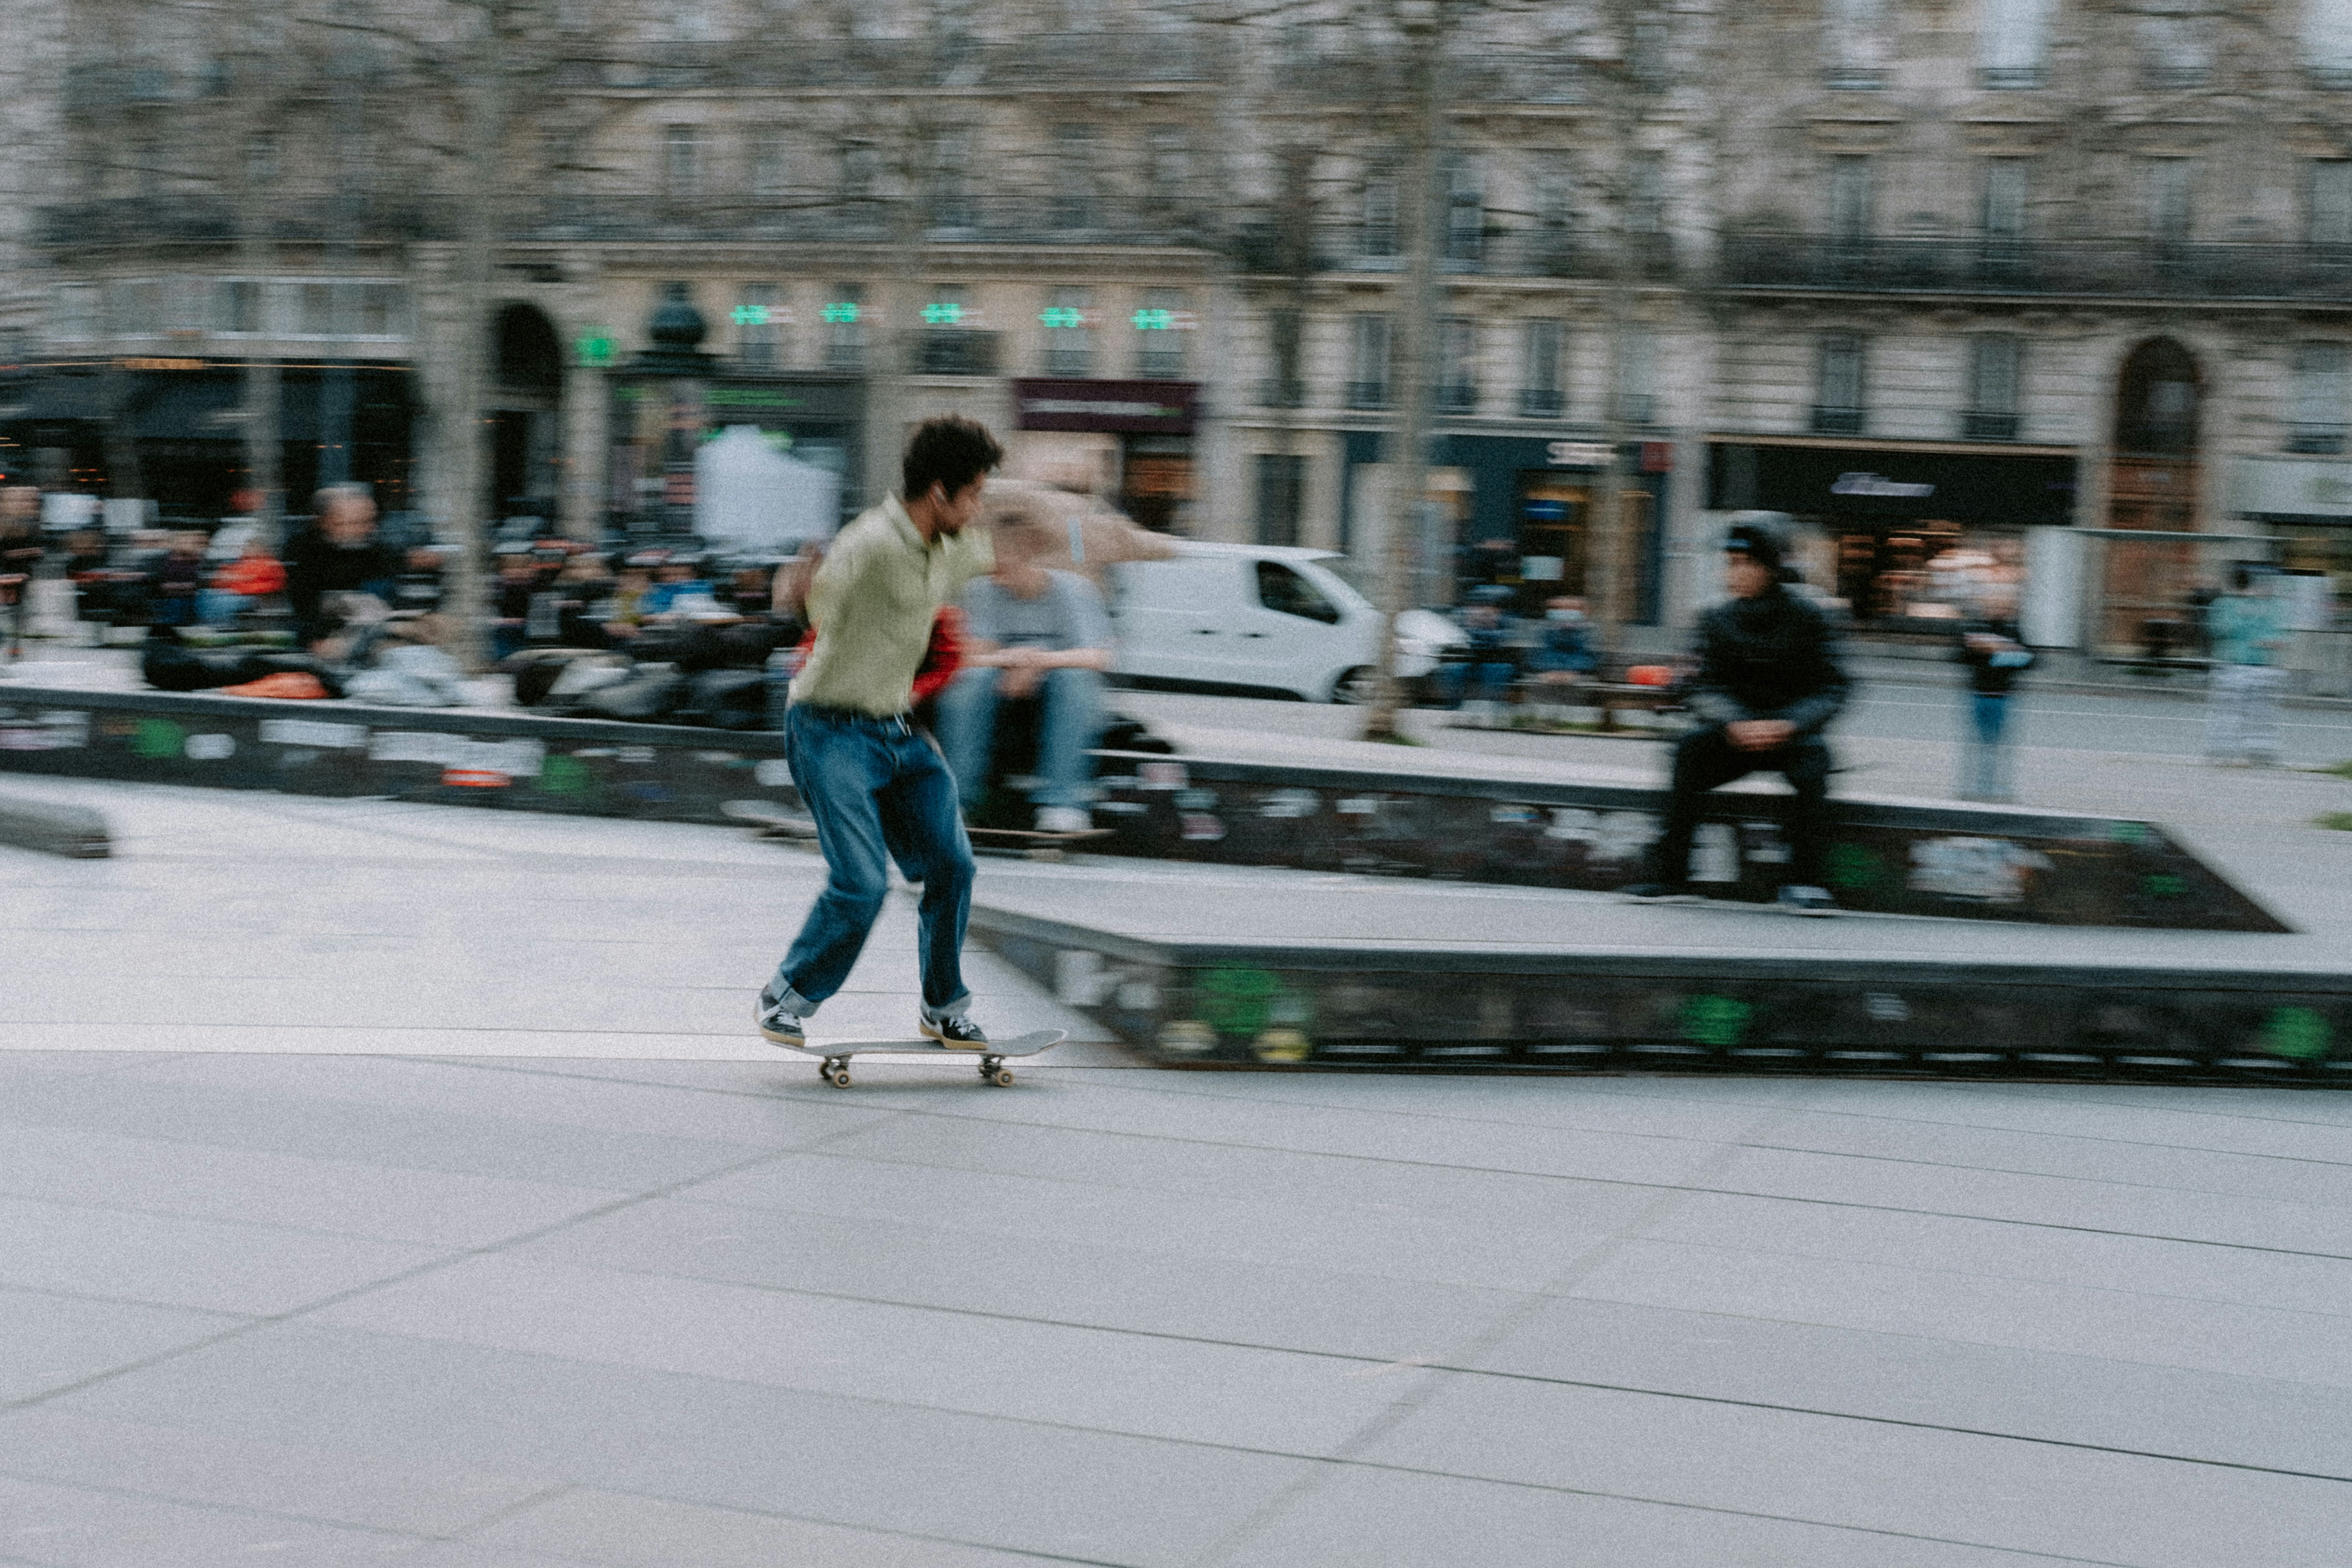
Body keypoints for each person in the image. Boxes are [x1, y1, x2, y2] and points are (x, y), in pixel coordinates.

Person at [756, 415, 1002, 1052]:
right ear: (940, 494)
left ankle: (943, 1005)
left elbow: (1008, 555)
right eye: (972, 494)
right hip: (829, 731)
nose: (978, 508)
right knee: (864, 884)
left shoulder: (953, 543)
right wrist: (797, 592)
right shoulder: (869, 544)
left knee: (953, 865)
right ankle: (786, 995)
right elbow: (816, 603)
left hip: (899, 733)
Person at [1623, 520, 1851, 915]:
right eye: (1731, 562)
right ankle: (1671, 876)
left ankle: (1805, 882)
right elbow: (1700, 685)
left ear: (1772, 568)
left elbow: (1834, 686)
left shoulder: (1810, 617)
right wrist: (1733, 720)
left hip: (1790, 736)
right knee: (1687, 753)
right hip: (1735, 736)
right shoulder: (1717, 618)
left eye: (1747, 563)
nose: (1735, 572)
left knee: (1815, 764)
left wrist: (1791, 723)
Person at [933, 525, 1115, 832]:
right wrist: (1014, 661)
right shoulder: (983, 591)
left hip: (1057, 685)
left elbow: (1098, 657)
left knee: (1077, 682)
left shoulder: (1073, 591)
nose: (996, 574)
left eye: (1005, 565)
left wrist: (1040, 662)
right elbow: (971, 654)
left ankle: (1062, 804)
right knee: (969, 681)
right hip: (1001, 683)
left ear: (1030, 557)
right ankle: (958, 801)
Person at [282, 486, 398, 643]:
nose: (370, 529)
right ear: (326, 522)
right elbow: (305, 606)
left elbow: (391, 598)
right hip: (319, 640)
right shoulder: (302, 550)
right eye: (358, 523)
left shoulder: (380, 551)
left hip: (375, 636)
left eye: (371, 521)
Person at [2205, 563, 2291, 766]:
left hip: (2238, 666)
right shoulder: (2235, 605)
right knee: (2257, 713)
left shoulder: (2226, 604)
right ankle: (2254, 751)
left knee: (2238, 712)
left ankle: (2231, 751)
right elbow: (2221, 629)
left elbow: (2219, 630)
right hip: (2254, 665)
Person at [1955, 617, 2032, 802]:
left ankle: (1997, 788)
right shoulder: (1974, 626)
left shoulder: (2014, 630)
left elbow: (2031, 661)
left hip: (2002, 697)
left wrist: (2003, 652)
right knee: (1978, 744)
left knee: (1998, 746)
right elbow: (1958, 657)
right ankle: (1974, 787)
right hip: (1979, 695)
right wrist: (1977, 649)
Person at [1525, 594, 1598, 724]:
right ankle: (1541, 721)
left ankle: (1572, 723)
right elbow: (1537, 654)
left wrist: (1571, 671)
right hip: (1547, 672)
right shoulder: (1544, 630)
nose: (1566, 613)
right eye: (1562, 609)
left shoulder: (1589, 631)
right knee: (1541, 684)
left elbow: (1591, 658)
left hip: (1579, 674)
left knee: (1577, 687)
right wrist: (1551, 670)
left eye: (1572, 609)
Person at [201, 536, 286, 626]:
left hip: (254, 598)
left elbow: (275, 585)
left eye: (253, 547)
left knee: (223, 603)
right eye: (248, 547)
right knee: (205, 595)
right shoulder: (238, 563)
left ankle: (223, 627)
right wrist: (233, 579)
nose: (247, 549)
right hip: (228, 593)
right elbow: (218, 580)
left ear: (262, 549)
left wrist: (241, 585)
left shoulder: (269, 564)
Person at [0, 486, 42, 659]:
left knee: (17, 612)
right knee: (14, 612)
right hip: (10, 575)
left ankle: (14, 645)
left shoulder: (31, 525)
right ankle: (12, 644)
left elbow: (39, 553)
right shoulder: (6, 525)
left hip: (20, 576)